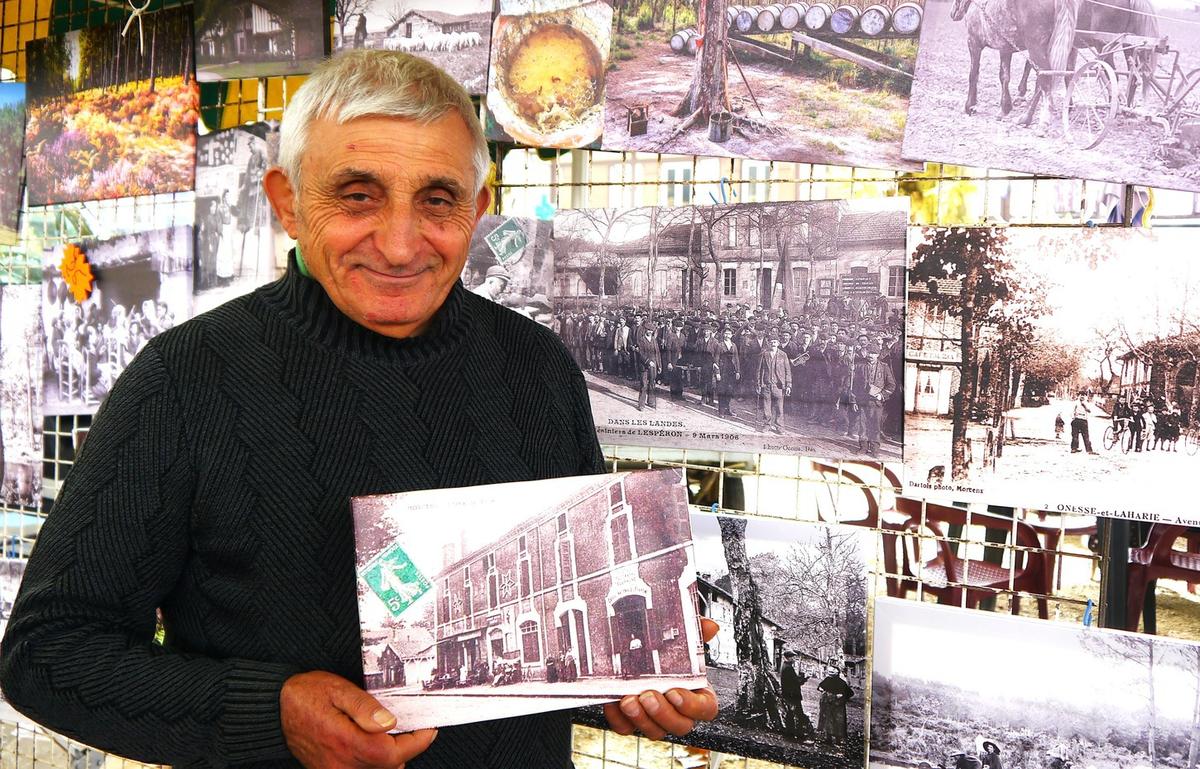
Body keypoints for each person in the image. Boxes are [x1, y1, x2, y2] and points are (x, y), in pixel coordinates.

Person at [0, 51, 718, 769]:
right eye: (357, 196)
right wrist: (271, 710)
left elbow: (562, 613)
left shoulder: (538, 367)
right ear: (285, 201)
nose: (400, 244)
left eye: (437, 199)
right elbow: (47, 651)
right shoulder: (187, 379)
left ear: (478, 206)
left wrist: (632, 675)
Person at [849, 341, 895, 456]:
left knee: (875, 426)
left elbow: (891, 385)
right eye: (869, 353)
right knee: (862, 425)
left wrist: (882, 395)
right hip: (862, 401)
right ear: (866, 353)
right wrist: (853, 400)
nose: (871, 355)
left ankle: (875, 449)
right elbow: (854, 385)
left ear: (878, 354)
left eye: (874, 353)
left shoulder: (884, 367)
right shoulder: (860, 366)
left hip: (876, 403)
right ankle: (863, 447)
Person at [757, 334, 791, 434]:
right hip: (766, 384)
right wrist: (758, 383)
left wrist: (788, 384)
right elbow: (759, 370)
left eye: (775, 342)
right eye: (771, 341)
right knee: (766, 407)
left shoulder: (783, 355)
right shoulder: (764, 354)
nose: (773, 343)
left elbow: (787, 370)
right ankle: (766, 425)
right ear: (769, 343)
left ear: (778, 343)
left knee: (779, 408)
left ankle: (779, 427)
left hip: (778, 385)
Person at [815, 666, 853, 743]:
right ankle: (828, 739)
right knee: (827, 721)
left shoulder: (842, 682)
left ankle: (838, 740)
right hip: (827, 704)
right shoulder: (827, 679)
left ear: (837, 673)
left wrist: (842, 695)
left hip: (838, 705)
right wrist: (820, 689)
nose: (830, 673)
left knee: (838, 721)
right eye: (829, 672)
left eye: (832, 672)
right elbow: (820, 686)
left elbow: (850, 693)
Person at [779, 650, 811, 740]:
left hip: (789, 694)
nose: (794, 659)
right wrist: (805, 678)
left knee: (791, 714)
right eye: (792, 657)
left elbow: (793, 679)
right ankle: (798, 735)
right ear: (788, 657)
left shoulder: (785, 666)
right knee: (797, 714)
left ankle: (790, 734)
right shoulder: (788, 668)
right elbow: (796, 682)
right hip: (792, 695)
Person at [714, 327, 740, 417]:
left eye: (729, 334)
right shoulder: (719, 345)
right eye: (725, 333)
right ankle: (721, 411)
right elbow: (716, 360)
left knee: (729, 391)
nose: (727, 335)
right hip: (722, 371)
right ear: (723, 334)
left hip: (731, 371)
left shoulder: (734, 345)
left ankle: (727, 409)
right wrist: (717, 373)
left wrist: (738, 371)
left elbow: (736, 359)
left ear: (732, 335)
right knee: (722, 390)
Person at [635, 322, 661, 411]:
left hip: (654, 366)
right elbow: (640, 354)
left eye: (651, 330)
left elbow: (657, 353)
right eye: (648, 330)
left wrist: (659, 365)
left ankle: (651, 402)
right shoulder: (641, 340)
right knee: (643, 384)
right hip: (644, 366)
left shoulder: (654, 340)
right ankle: (641, 404)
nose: (649, 331)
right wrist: (648, 362)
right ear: (645, 330)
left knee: (652, 384)